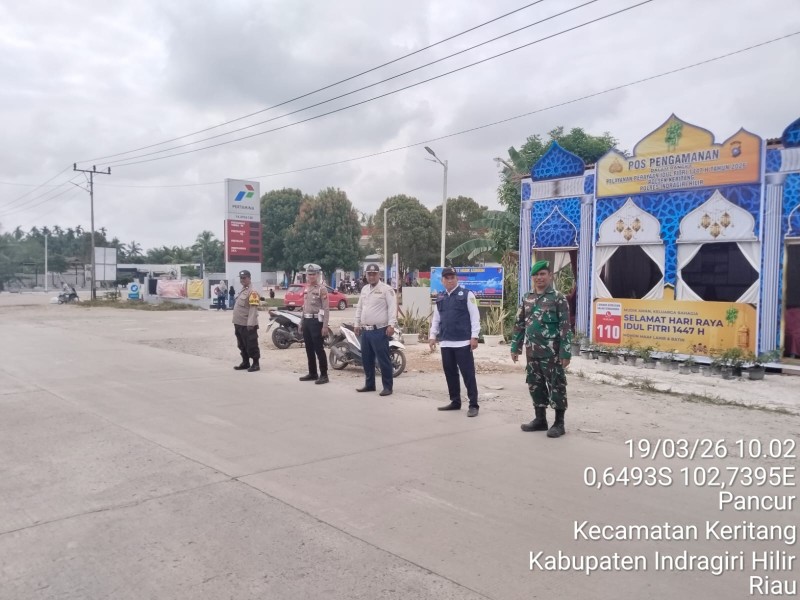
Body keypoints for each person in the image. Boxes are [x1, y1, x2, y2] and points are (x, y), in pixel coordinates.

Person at [510, 260, 572, 438]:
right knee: (535, 384)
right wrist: (515, 347)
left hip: (552, 353)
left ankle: (559, 423)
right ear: (532, 278)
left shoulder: (558, 298)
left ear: (550, 276)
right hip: (532, 352)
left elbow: (565, 327)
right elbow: (520, 324)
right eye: (536, 275)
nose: (539, 278)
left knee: (557, 386)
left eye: (543, 274)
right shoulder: (527, 297)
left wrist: (565, 352)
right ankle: (540, 419)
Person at [429, 267, 481, 417]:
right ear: (442, 281)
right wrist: (433, 335)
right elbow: (436, 319)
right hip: (446, 342)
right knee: (450, 374)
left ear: (457, 279)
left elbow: (474, 316)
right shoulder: (440, 297)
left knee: (468, 374)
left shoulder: (467, 294)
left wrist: (475, 336)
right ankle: (455, 401)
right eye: (447, 278)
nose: (450, 280)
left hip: (463, 342)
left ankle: (473, 405)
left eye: (452, 277)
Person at [354, 263, 398, 396]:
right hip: (366, 331)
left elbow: (392, 308)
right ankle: (369, 384)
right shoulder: (364, 289)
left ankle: (387, 387)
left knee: (383, 359)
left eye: (374, 274)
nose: (371, 276)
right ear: (366, 275)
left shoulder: (386, 289)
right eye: (369, 274)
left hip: (380, 330)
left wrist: (391, 325)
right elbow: (360, 308)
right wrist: (357, 323)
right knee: (366, 359)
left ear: (379, 275)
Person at [298, 264, 330, 385]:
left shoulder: (322, 289)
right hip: (306, 321)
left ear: (317, 275)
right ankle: (312, 373)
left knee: (319, 349)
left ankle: (324, 374)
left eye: (313, 274)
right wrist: (301, 322)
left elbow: (326, 308)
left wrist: (325, 326)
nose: (311, 276)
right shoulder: (306, 288)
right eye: (309, 274)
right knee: (309, 349)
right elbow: (304, 307)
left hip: (317, 321)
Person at [232, 270, 261, 372]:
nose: (242, 280)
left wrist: (251, 323)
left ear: (249, 278)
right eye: (241, 278)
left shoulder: (252, 292)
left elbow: (253, 308)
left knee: (251, 344)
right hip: (238, 323)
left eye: (244, 278)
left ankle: (255, 364)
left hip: (247, 324)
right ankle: (245, 362)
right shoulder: (243, 290)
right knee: (241, 344)